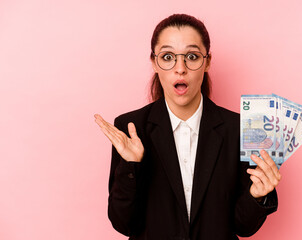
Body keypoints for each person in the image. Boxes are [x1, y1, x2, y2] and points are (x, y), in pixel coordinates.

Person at [94, 13, 281, 240]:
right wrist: (132, 166)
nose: (180, 68)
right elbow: (123, 222)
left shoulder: (239, 129)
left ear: (207, 62)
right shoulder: (131, 128)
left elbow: (242, 226)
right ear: (154, 62)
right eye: (168, 56)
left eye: (191, 56)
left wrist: (258, 196)